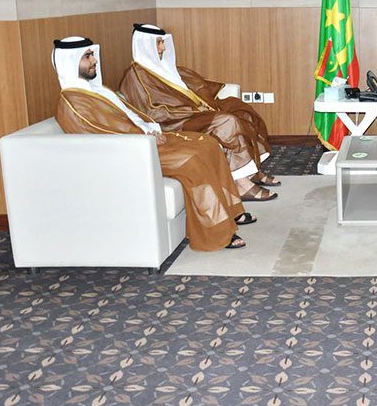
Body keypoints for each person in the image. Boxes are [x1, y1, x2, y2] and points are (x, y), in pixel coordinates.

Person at [52, 36, 255, 250]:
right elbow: (103, 134)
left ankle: (230, 212)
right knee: (193, 160)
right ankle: (217, 232)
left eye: (92, 55)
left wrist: (152, 129)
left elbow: (132, 115)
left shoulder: (96, 90)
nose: (94, 60)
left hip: (146, 141)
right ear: (70, 62)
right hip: (132, 152)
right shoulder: (72, 102)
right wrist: (145, 136)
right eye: (87, 57)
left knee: (208, 144)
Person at [119, 23, 280, 203]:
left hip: (193, 113)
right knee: (227, 122)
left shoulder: (163, 68)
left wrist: (203, 106)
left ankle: (252, 171)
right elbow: (152, 112)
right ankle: (241, 184)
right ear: (144, 44)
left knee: (240, 110)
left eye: (162, 42)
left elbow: (193, 88)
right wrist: (194, 110)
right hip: (175, 122)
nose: (163, 47)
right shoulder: (135, 76)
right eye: (158, 43)